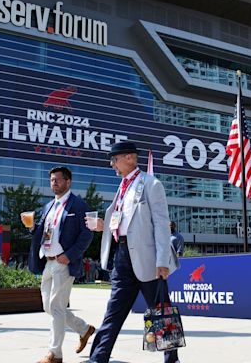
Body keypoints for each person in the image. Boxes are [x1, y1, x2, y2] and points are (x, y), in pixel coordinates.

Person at [84, 141, 180, 363]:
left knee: (161, 312)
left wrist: (162, 260)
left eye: (114, 159)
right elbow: (123, 220)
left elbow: (161, 225)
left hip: (149, 260)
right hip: (122, 257)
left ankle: (171, 360)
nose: (112, 165)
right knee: (113, 312)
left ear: (129, 158)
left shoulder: (151, 184)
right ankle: (98, 358)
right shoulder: (122, 187)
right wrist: (103, 224)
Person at [25, 166, 95, 363]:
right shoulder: (48, 207)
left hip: (64, 263)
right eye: (51, 180)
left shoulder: (79, 205)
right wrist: (32, 227)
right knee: (49, 307)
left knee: (56, 307)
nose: (53, 183)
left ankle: (54, 354)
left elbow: (87, 234)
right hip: (47, 261)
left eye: (57, 180)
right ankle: (84, 329)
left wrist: (70, 255)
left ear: (68, 182)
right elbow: (42, 233)